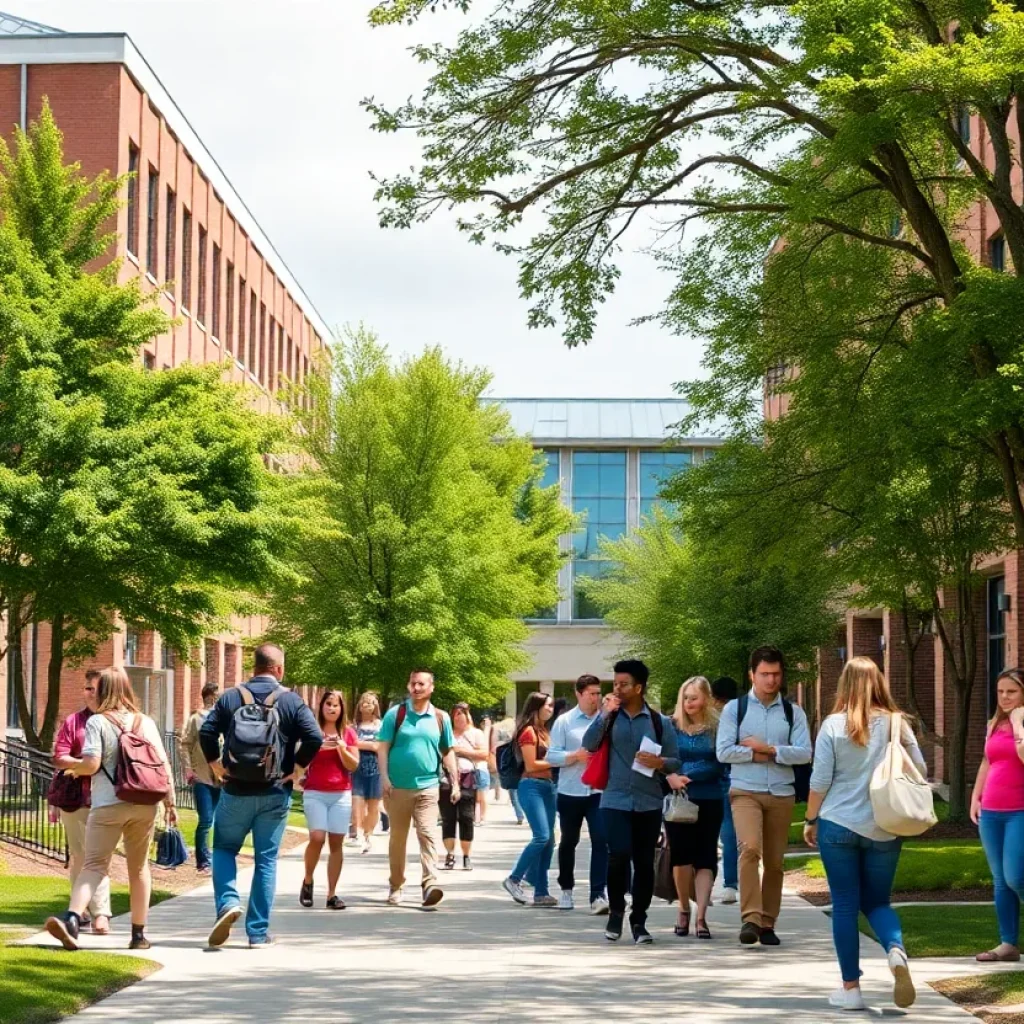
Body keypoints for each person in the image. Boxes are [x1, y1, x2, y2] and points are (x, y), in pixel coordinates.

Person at [804, 657, 925, 1010]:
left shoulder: (832, 726)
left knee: (844, 905)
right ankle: (896, 951)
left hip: (839, 824)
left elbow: (820, 781)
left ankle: (851, 989)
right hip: (885, 826)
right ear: (879, 683)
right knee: (877, 902)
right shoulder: (896, 724)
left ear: (843, 685)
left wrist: (811, 818)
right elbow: (920, 768)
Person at [45, 667, 176, 951]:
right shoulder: (145, 722)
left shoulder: (97, 723)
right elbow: (164, 766)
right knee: (139, 869)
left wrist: (74, 770)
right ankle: (139, 936)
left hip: (108, 804)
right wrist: (170, 803)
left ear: (103, 691)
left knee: (93, 865)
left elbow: (91, 764)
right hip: (144, 804)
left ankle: (71, 920)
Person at [200, 643, 322, 948]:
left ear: (253, 667)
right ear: (278, 669)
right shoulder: (291, 701)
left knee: (225, 849)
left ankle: (228, 902)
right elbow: (314, 737)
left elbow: (206, 732)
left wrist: (215, 765)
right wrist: (297, 768)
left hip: (235, 789)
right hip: (274, 791)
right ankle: (257, 933)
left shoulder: (231, 697)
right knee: (265, 860)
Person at [717, 645, 811, 947]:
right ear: (752, 675)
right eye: (764, 674)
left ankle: (768, 922)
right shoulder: (736, 709)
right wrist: (760, 756)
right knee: (750, 848)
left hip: (782, 793)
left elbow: (804, 753)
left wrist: (768, 749)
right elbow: (724, 751)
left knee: (774, 861)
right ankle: (751, 918)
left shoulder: (792, 712)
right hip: (745, 790)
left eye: (776, 674)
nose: (771, 680)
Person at [583, 659, 680, 944]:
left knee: (644, 861)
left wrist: (659, 762)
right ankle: (616, 912)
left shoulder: (659, 723)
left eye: (623, 684)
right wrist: (603, 715)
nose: (617, 689)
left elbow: (675, 761)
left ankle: (639, 920)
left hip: (648, 800)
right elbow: (588, 744)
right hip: (614, 798)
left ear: (639, 687)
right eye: (615, 684)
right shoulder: (609, 717)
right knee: (618, 854)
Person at [377, 669, 460, 908]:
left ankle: (430, 883)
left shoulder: (440, 718)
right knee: (398, 839)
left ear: (431, 687)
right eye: (413, 683)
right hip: (398, 788)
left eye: (421, 684)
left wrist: (454, 782)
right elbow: (383, 748)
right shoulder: (397, 714)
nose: (416, 688)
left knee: (427, 834)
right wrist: (385, 778)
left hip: (428, 786)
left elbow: (448, 751)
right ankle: (396, 884)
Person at [664, 676, 728, 940]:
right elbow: (664, 758)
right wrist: (674, 775)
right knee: (680, 856)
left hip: (709, 797)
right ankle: (682, 908)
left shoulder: (718, 726)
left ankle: (701, 916)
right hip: (678, 799)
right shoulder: (670, 726)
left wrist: (692, 773)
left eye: (694, 697)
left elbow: (721, 760)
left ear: (706, 699)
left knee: (705, 856)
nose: (689, 702)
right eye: (685, 697)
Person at [50, 670, 111, 936]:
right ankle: (89, 912)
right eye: (87, 688)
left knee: (97, 857)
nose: (90, 693)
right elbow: (60, 756)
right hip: (75, 799)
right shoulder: (74, 722)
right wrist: (84, 765)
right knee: (80, 856)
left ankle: (94, 913)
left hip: (107, 797)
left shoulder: (113, 721)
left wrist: (88, 765)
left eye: (95, 689)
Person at [971, 667, 1024, 964]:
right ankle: (1008, 944)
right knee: (1001, 880)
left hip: (1020, 810)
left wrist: (1018, 726)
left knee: (1017, 877)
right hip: (991, 811)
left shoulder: (1021, 723)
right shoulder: (993, 723)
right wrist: (976, 797)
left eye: (1012, 691)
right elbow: (987, 761)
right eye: (1001, 691)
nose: (1004, 697)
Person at [547, 674, 608, 914]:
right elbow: (551, 756)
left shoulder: (607, 720)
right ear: (579, 694)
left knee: (601, 840)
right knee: (569, 841)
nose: (596, 698)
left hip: (598, 791)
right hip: (570, 791)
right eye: (591, 693)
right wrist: (574, 756)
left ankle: (597, 894)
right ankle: (566, 890)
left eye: (598, 693)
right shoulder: (564, 721)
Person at [299, 691, 360, 910]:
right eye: (328, 704)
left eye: (336, 705)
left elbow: (353, 765)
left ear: (342, 709)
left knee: (336, 842)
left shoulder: (348, 733)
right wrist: (317, 746)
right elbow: (300, 760)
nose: (332, 708)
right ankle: (308, 880)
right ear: (321, 706)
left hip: (341, 793)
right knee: (317, 837)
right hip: (315, 791)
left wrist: (341, 748)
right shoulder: (312, 731)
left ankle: (332, 894)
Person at [502, 692, 559, 907]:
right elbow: (532, 765)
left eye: (552, 706)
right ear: (536, 707)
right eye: (548, 706)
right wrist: (561, 760)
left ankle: (541, 892)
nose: (551, 710)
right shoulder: (528, 732)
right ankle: (514, 878)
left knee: (549, 841)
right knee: (541, 836)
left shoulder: (545, 732)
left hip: (548, 787)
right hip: (531, 786)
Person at [180, 681, 221, 875]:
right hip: (201, 776)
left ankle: (218, 858)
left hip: (221, 777)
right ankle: (203, 862)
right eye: (216, 696)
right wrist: (189, 769)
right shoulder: (196, 719)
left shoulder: (223, 719)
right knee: (206, 820)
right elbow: (185, 744)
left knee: (220, 820)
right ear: (210, 697)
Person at [441, 703, 486, 870]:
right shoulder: (446, 733)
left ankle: (466, 855)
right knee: (448, 817)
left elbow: (484, 754)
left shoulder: (475, 734)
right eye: (456, 714)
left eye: (462, 713)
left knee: (467, 817)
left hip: (468, 777)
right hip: (446, 778)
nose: (459, 716)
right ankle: (450, 854)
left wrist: (460, 751)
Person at [710, 675, 739, 905]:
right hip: (736, 776)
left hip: (715, 778)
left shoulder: (713, 718)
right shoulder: (742, 714)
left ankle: (709, 882)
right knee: (730, 833)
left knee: (716, 831)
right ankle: (731, 883)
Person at [351, 691, 384, 854]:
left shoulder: (380, 725)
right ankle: (357, 834)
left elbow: (378, 746)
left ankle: (368, 835)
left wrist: (358, 744)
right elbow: (350, 744)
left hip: (376, 767)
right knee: (356, 803)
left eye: (370, 703)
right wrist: (367, 745)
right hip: (356, 766)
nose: (366, 705)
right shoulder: (353, 726)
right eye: (364, 702)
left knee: (373, 806)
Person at [491, 712, 524, 823]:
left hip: (508, 765)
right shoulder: (520, 733)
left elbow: (493, 747)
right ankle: (524, 814)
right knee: (521, 791)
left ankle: (520, 816)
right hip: (520, 765)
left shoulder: (498, 731)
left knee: (513, 792)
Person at [476, 712, 493, 826]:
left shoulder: (489, 735)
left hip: (482, 768)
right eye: (483, 722)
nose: (485, 724)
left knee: (482, 796)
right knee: (477, 797)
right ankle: (478, 817)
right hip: (477, 768)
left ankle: (482, 818)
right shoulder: (477, 734)